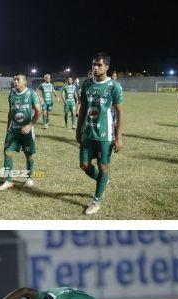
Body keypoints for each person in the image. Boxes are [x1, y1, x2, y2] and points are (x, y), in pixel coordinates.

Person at [76, 53, 124, 215]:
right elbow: (83, 108)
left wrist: (119, 137)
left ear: (107, 67)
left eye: (99, 65)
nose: (95, 68)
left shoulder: (114, 86)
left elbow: (120, 113)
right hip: (87, 132)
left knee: (103, 166)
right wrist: (78, 129)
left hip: (105, 135)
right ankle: (103, 181)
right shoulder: (86, 84)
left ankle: (96, 200)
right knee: (84, 165)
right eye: (94, 65)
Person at [0, 74, 42, 192]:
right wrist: (7, 129)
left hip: (27, 131)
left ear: (24, 82)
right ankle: (8, 181)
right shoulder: (11, 95)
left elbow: (38, 111)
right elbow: (10, 113)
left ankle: (29, 178)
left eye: (17, 80)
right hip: (13, 130)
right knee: (7, 152)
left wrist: (30, 125)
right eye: (14, 79)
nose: (15, 81)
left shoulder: (31, 93)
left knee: (29, 155)